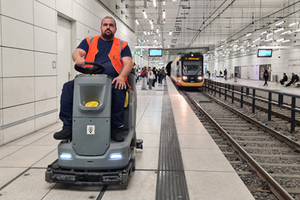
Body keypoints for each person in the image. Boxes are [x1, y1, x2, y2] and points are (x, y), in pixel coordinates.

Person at [53, 16, 132, 142]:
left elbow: (128, 63)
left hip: (112, 80)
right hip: (88, 79)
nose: (108, 27)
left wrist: (122, 76)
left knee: (118, 88)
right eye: (105, 25)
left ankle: (116, 127)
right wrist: (78, 58)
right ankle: (68, 127)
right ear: (101, 28)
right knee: (68, 86)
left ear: (115, 29)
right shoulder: (89, 41)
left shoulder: (123, 45)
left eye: (111, 25)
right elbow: (76, 52)